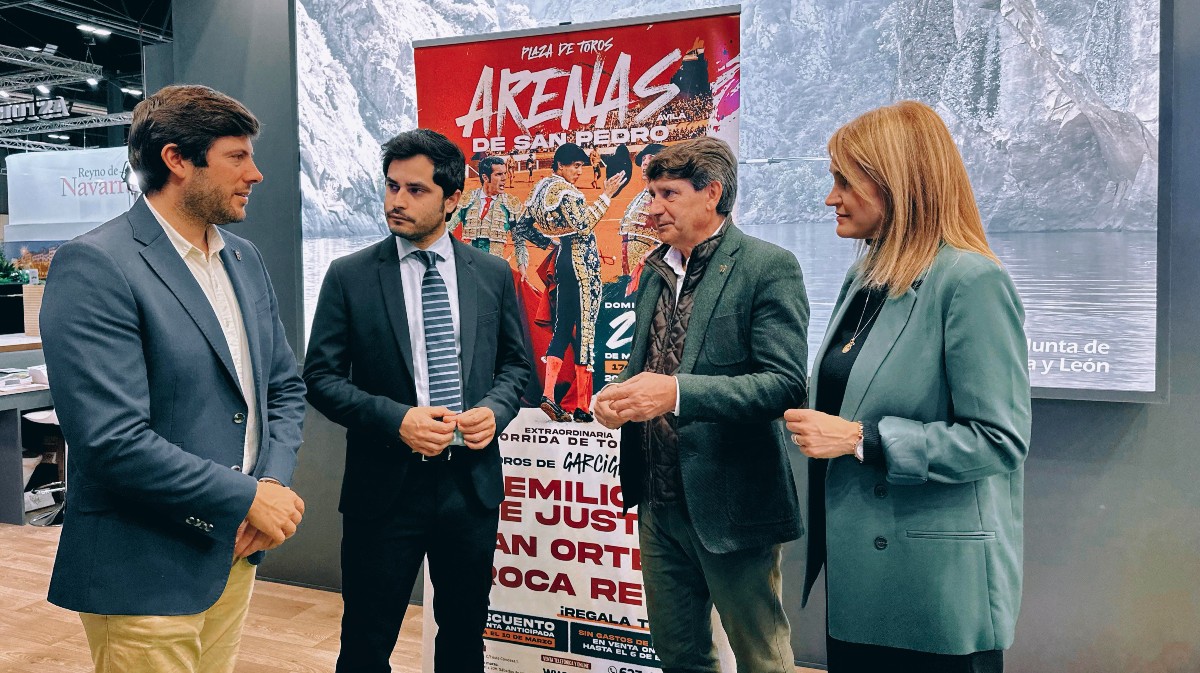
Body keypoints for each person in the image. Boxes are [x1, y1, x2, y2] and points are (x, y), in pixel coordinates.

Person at [39, 84, 307, 673]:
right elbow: (111, 440)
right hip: (142, 567)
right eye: (237, 157)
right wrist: (248, 497)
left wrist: (273, 487)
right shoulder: (96, 264)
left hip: (232, 551)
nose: (256, 174)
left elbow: (282, 388)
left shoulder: (243, 259)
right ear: (177, 159)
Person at [786, 100, 1031, 672]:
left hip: (932, 587)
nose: (831, 198)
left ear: (897, 182)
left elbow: (999, 439)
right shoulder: (863, 275)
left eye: (844, 181)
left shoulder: (971, 281)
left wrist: (861, 440)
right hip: (859, 573)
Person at [303, 128, 531, 673]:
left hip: (469, 487)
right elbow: (321, 378)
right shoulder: (350, 275)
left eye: (415, 190)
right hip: (384, 488)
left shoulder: (493, 274)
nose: (397, 202)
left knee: (462, 640)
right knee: (364, 644)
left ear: (454, 199)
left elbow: (517, 366)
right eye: (391, 186)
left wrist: (494, 412)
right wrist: (396, 419)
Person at [593, 137, 809, 673]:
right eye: (651, 192)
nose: (652, 206)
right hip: (657, 501)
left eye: (668, 193)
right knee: (680, 655)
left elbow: (784, 385)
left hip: (731, 502)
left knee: (763, 657)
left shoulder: (767, 267)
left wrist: (678, 392)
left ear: (711, 193)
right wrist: (616, 395)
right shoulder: (652, 271)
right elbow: (648, 364)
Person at [524, 143, 624, 423]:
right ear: (560, 166)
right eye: (574, 166)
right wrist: (605, 196)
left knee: (562, 328)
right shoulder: (568, 192)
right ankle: (581, 406)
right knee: (586, 332)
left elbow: (522, 227)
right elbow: (583, 226)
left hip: (563, 262)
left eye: (581, 166)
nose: (579, 171)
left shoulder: (540, 190)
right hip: (582, 266)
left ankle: (548, 395)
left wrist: (552, 241)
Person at [450, 155, 535, 277]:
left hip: (494, 272)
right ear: (485, 177)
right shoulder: (467, 200)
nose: (504, 178)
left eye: (504, 173)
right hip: (467, 270)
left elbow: (519, 241)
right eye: (499, 174)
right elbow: (447, 229)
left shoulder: (510, 205)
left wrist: (522, 268)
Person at [618, 143, 666, 288]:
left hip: (650, 267)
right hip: (631, 269)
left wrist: (655, 253)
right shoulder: (642, 195)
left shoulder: (664, 195)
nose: (644, 163)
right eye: (644, 159)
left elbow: (680, 233)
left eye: (650, 159)